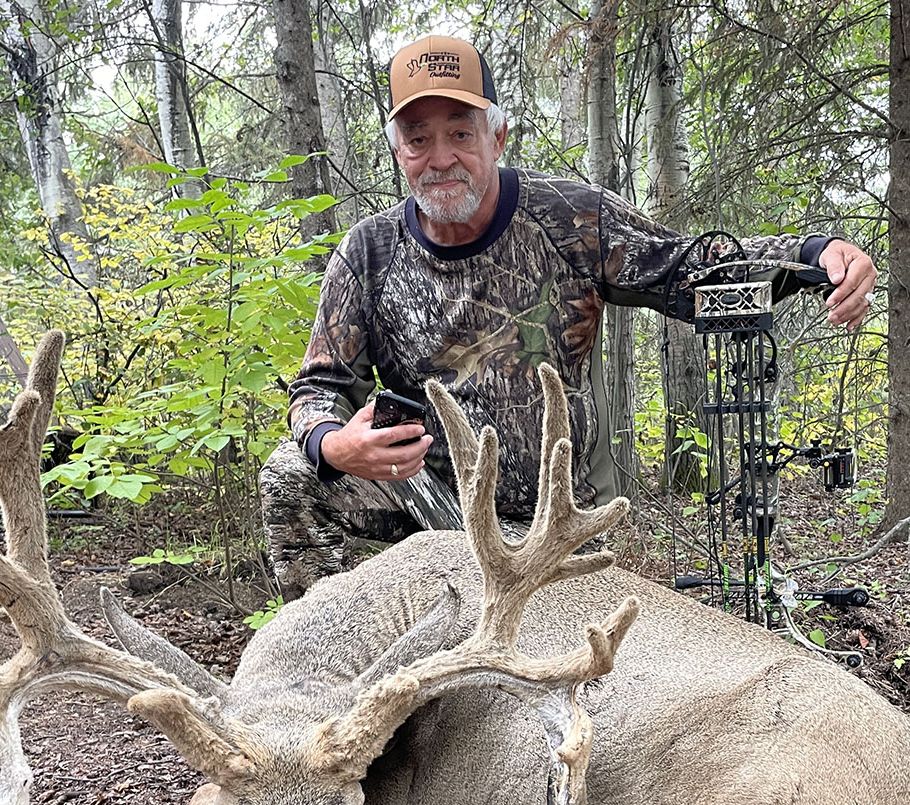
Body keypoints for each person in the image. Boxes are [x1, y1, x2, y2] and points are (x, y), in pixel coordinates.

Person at [260, 34, 878, 601]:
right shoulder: (370, 252)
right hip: (435, 507)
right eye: (419, 138)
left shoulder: (569, 218)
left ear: (497, 138)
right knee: (292, 476)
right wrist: (334, 441)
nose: (440, 158)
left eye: (461, 133)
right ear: (398, 151)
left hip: (564, 518)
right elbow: (319, 385)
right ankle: (345, 684)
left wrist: (810, 256)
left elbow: (685, 271)